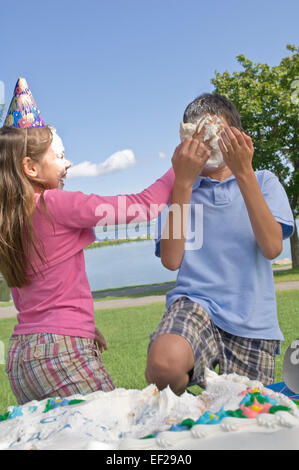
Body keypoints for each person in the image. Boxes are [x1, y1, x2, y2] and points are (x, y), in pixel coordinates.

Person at [1, 78, 210, 404]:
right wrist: (179, 171)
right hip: (60, 354)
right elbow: (143, 206)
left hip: (22, 358)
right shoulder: (54, 205)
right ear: (30, 167)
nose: (66, 164)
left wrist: (79, 322)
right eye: (58, 155)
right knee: (119, 435)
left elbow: (33, 294)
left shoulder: (10, 220)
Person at [145, 93, 295, 395]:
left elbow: (272, 248)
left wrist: (243, 172)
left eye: (214, 134)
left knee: (244, 426)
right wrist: (184, 184)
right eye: (196, 137)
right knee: (165, 365)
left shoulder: (264, 181)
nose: (206, 145)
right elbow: (172, 261)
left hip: (253, 323)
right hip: (195, 305)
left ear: (237, 138)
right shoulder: (178, 192)